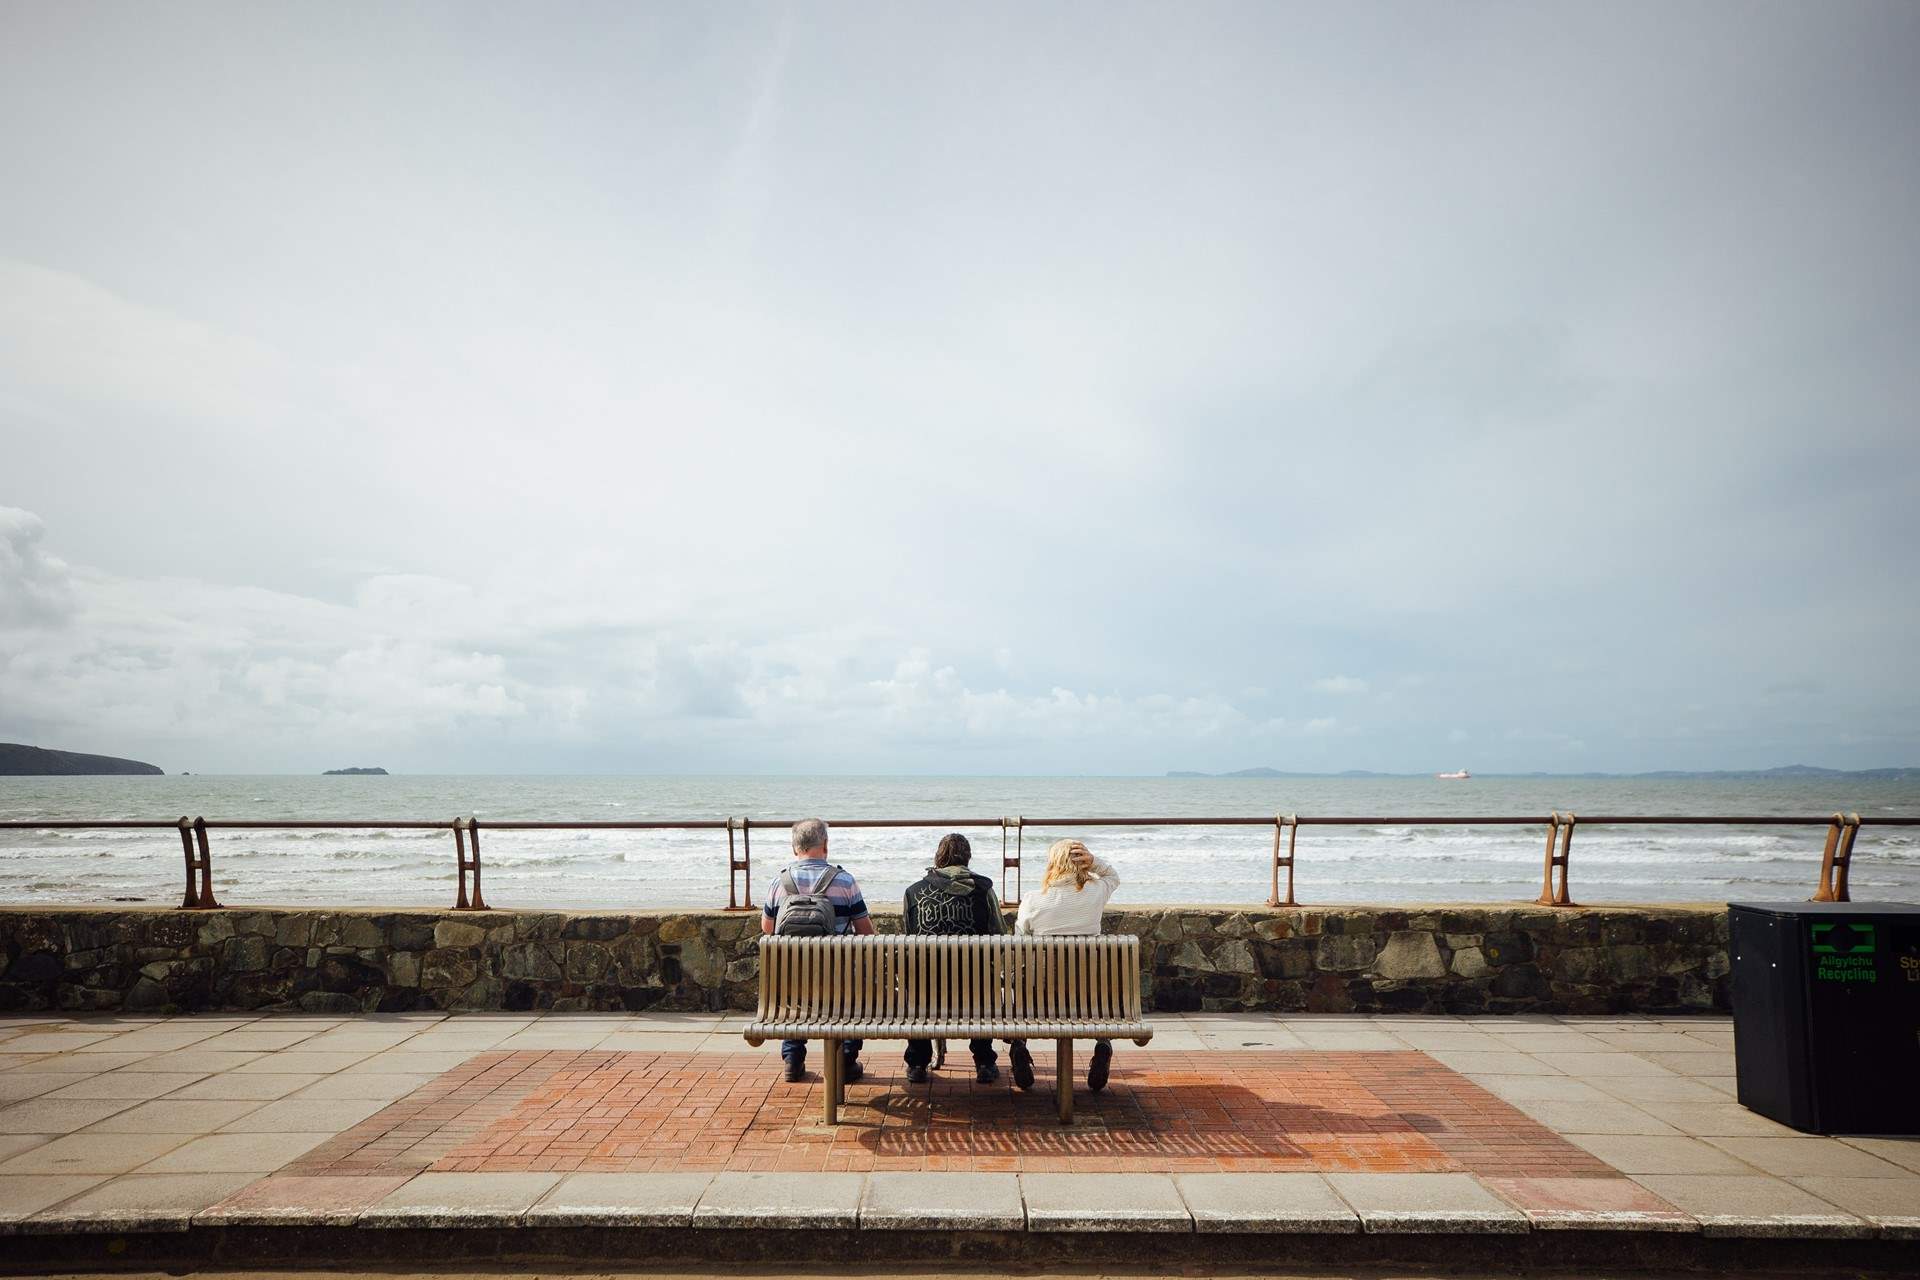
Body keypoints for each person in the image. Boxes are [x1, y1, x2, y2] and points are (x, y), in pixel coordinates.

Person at [763, 818, 873, 1083]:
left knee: (795, 993)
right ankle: (845, 1060)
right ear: (825, 845)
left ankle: (793, 1059)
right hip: (839, 980)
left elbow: (768, 931)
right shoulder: (845, 882)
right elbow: (865, 932)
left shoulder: (779, 884)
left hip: (795, 981)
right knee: (851, 990)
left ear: (794, 848)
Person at [1009, 838, 1122, 1092]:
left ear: (1052, 864)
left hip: (1037, 1002)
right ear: (1083, 863)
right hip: (1088, 1002)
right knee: (1098, 984)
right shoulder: (1096, 893)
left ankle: (1018, 1045)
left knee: (1022, 981)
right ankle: (1103, 1043)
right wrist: (1095, 862)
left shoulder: (1033, 900)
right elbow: (1113, 876)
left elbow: (1019, 946)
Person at [901, 833, 1005, 1085]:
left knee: (916, 983)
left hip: (927, 989)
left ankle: (917, 1062)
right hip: (975, 987)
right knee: (983, 979)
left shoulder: (914, 892)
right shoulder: (984, 890)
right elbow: (1000, 937)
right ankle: (984, 1061)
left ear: (939, 857)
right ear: (967, 858)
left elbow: (909, 937)